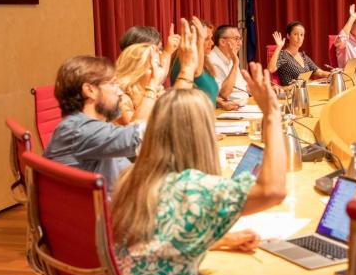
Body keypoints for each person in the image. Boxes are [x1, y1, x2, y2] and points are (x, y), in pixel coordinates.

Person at [111, 62, 288, 275]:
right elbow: (273, 190)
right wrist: (272, 115)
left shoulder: (131, 178)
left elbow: (153, 242)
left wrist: (220, 240)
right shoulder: (193, 190)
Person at [45, 19, 198, 191]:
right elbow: (144, 133)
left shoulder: (87, 128)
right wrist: (186, 69)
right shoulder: (78, 130)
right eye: (113, 84)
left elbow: (132, 165)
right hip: (114, 205)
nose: (119, 92)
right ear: (90, 90)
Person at [114, 43, 165, 125]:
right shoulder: (121, 99)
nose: (157, 72)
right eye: (151, 68)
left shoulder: (159, 93)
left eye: (158, 66)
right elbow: (135, 129)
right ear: (135, 71)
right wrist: (152, 86)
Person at [268, 21, 330, 85]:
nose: (299, 38)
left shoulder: (303, 56)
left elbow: (320, 73)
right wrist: (278, 47)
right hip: (291, 90)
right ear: (288, 36)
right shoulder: (284, 55)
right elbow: (270, 69)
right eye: (295, 34)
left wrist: (333, 74)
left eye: (301, 35)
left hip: (305, 89)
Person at [208, 25, 250, 104]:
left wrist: (266, 88)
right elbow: (224, 94)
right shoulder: (211, 60)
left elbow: (243, 87)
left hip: (244, 103)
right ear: (222, 42)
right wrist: (235, 64)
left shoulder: (231, 57)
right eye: (236, 39)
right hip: (229, 107)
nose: (240, 43)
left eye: (240, 39)